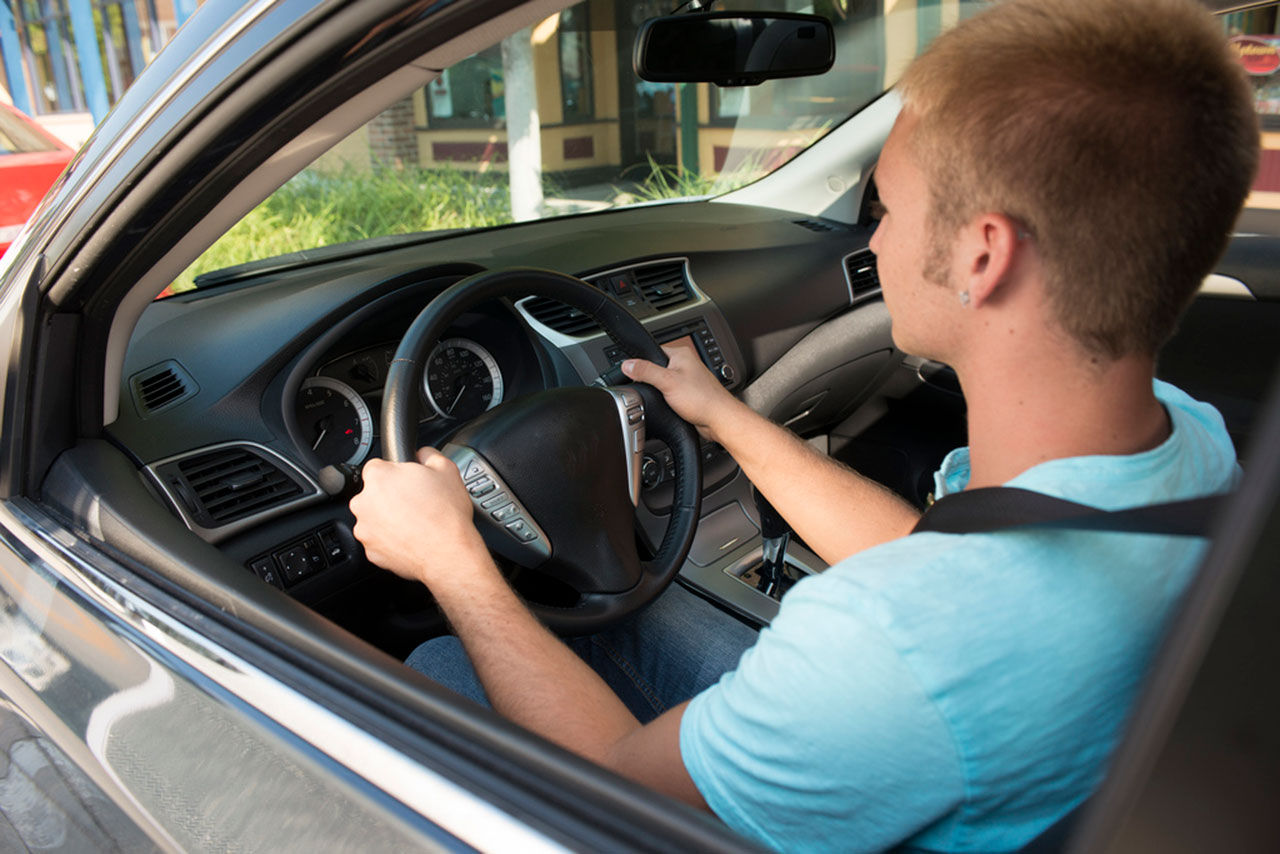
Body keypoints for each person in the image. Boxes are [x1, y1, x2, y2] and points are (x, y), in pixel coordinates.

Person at [349, 0, 1259, 849]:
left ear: (983, 255)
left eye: (888, 208)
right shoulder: (1190, 444)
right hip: (979, 731)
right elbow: (933, 548)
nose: (870, 242)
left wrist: (453, 563)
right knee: (620, 614)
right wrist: (725, 417)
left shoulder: (900, 644)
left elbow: (614, 788)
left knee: (436, 662)